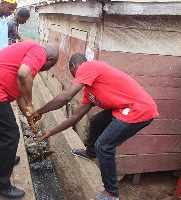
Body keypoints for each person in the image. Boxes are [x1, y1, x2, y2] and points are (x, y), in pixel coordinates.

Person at [32, 53, 159, 200]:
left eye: (74, 75)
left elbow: (66, 96)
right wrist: (50, 132)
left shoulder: (88, 66)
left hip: (139, 110)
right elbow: (75, 117)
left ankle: (112, 193)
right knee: (95, 121)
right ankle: (90, 153)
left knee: (104, 146)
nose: (76, 79)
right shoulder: (90, 90)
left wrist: (40, 111)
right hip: (123, 109)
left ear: (74, 66)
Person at [0, 40, 59, 198]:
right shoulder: (39, 52)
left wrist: (30, 118)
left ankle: (2, 161)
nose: (45, 69)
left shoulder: (28, 50)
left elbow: (19, 93)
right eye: (49, 67)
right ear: (49, 59)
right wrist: (30, 103)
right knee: (10, 134)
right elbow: (23, 75)